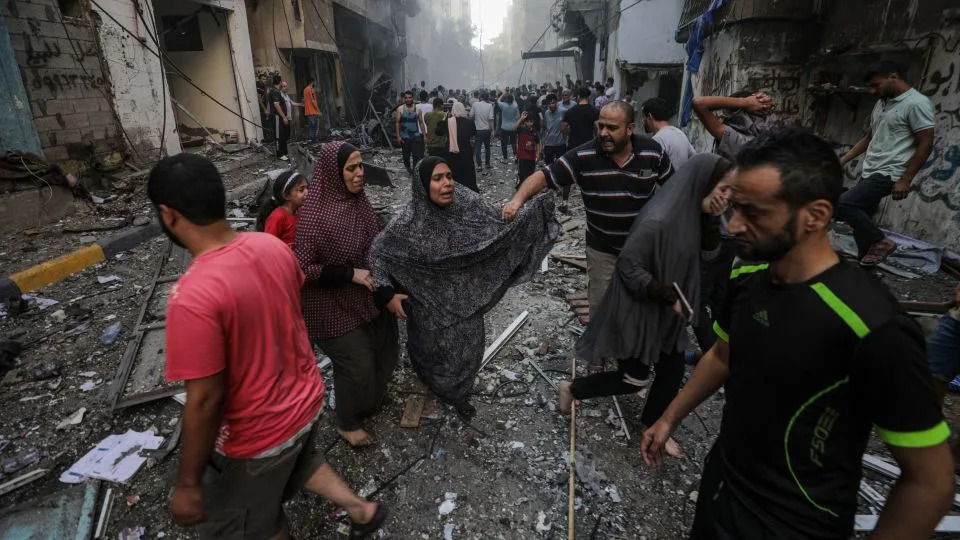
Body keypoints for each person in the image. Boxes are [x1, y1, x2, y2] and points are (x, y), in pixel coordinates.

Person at [641, 127, 954, 539]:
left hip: (797, 522)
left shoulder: (874, 325)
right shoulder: (749, 278)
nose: (734, 226)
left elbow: (930, 482)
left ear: (816, 216)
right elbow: (721, 355)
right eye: (734, 208)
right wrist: (669, 417)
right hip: (724, 493)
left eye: (753, 213)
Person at [149, 154, 389, 540]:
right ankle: (360, 509)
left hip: (257, 436)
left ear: (168, 215)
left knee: (245, 522)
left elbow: (205, 400)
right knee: (298, 461)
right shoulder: (271, 247)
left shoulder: (192, 296)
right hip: (305, 403)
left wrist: (189, 483)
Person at [560, 154, 731, 460]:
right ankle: (572, 389)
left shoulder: (695, 215)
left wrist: (711, 222)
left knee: (672, 369)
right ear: (703, 184)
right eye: (723, 188)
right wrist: (666, 294)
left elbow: (707, 257)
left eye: (731, 191)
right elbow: (628, 265)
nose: (727, 197)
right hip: (639, 309)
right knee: (633, 379)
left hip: (668, 312)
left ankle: (654, 427)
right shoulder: (660, 220)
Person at [369, 157, 559, 418]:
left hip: (466, 297)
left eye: (449, 176)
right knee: (429, 351)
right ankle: (435, 385)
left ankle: (459, 393)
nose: (447, 184)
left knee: (467, 350)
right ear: (422, 185)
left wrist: (529, 212)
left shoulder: (467, 202)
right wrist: (386, 293)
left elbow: (496, 226)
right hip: (428, 303)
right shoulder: (407, 223)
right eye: (437, 179)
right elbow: (378, 254)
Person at [503, 102, 673, 356]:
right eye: (600, 126)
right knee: (601, 305)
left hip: (642, 249)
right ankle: (600, 355)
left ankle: (634, 352)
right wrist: (517, 201)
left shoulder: (653, 152)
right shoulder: (583, 156)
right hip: (602, 248)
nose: (603, 133)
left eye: (612, 128)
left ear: (630, 129)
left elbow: (674, 188)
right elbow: (543, 176)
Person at [293, 142, 399, 448]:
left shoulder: (359, 202)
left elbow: (373, 246)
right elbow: (301, 267)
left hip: (363, 296)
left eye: (361, 166)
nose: (359, 174)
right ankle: (346, 422)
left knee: (386, 349)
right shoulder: (315, 218)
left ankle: (370, 401)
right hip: (329, 306)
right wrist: (349, 273)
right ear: (333, 173)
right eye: (351, 168)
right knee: (357, 363)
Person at [837, 61, 936, 267]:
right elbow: (869, 137)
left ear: (893, 76)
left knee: (845, 204)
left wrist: (905, 179)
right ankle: (864, 268)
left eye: (876, 85)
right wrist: (842, 161)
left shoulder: (917, 103)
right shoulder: (882, 102)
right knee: (862, 219)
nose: (873, 91)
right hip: (871, 168)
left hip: (890, 171)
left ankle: (882, 242)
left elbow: (926, 143)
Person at [692, 90, 775, 161]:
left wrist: (745, 102)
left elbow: (699, 103)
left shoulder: (742, 143)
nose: (722, 118)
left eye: (727, 114)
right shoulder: (768, 136)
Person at [256, 170, 308, 246]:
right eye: (301, 190)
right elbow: (269, 245)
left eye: (307, 188)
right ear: (287, 195)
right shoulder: (278, 217)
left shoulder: (300, 212)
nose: (307, 192)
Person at [435, 101, 478, 192]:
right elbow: (473, 133)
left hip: (451, 152)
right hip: (465, 150)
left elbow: (438, 132)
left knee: (453, 172)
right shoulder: (469, 122)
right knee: (467, 172)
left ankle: (454, 190)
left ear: (453, 110)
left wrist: (443, 119)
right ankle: (469, 191)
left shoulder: (448, 122)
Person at [642, 97, 695, 170]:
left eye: (644, 116)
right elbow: (694, 158)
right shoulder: (679, 133)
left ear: (650, 116)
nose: (643, 120)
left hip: (668, 181)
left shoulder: (657, 140)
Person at [541, 93, 570, 207]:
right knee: (548, 166)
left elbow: (568, 126)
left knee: (561, 166)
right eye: (549, 103)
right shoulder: (547, 113)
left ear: (556, 102)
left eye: (553, 102)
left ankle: (561, 187)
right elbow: (546, 128)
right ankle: (552, 187)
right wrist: (543, 143)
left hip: (561, 144)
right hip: (549, 144)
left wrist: (566, 135)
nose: (551, 105)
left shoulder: (563, 111)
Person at [395, 91, 424, 172]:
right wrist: (398, 136)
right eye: (406, 98)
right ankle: (408, 167)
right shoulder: (400, 109)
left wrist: (424, 135)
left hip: (416, 136)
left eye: (410, 97)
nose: (408, 99)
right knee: (406, 156)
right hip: (405, 136)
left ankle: (415, 171)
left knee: (416, 156)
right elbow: (397, 123)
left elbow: (421, 122)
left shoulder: (418, 109)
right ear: (404, 99)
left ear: (412, 98)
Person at [514, 110, 540, 189]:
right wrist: (521, 118)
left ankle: (528, 190)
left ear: (533, 122)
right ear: (525, 122)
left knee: (530, 174)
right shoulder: (521, 129)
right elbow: (514, 128)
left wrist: (537, 154)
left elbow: (537, 143)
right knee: (522, 174)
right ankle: (521, 189)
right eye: (527, 121)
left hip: (531, 157)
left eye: (531, 122)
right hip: (522, 156)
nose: (529, 123)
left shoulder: (534, 131)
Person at [471, 92, 495, 171]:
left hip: (478, 130)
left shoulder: (475, 104)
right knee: (487, 148)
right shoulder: (490, 106)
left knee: (478, 148)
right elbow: (491, 119)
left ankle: (479, 165)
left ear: (480, 97)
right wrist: (493, 130)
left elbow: (471, 116)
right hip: (487, 130)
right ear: (488, 98)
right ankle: (487, 164)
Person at [269, 75, 291, 161]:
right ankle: (279, 154)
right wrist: (284, 117)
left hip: (279, 117)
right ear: (280, 82)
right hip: (277, 117)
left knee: (283, 135)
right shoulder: (275, 92)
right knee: (278, 136)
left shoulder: (276, 91)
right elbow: (276, 105)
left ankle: (284, 152)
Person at [497, 92, 520, 161]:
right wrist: (512, 95)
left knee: (504, 144)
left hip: (504, 127)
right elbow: (518, 115)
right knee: (513, 143)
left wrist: (503, 94)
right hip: (513, 127)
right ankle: (516, 156)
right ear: (512, 100)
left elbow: (498, 100)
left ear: (506, 100)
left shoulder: (503, 105)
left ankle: (505, 158)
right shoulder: (515, 105)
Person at [257, 73, 273, 143]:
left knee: (268, 122)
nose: (265, 80)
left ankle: (269, 138)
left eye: (265, 79)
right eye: (263, 79)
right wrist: (265, 109)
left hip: (266, 107)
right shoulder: (258, 87)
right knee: (265, 123)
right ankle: (266, 138)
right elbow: (259, 100)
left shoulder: (264, 87)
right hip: (262, 108)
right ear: (259, 79)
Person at [303, 78, 321, 142]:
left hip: (308, 111)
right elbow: (313, 101)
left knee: (311, 127)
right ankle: (314, 141)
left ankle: (311, 141)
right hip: (313, 111)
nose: (315, 83)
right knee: (314, 128)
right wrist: (318, 110)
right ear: (312, 82)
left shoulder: (305, 90)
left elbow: (304, 100)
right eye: (315, 82)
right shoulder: (311, 89)